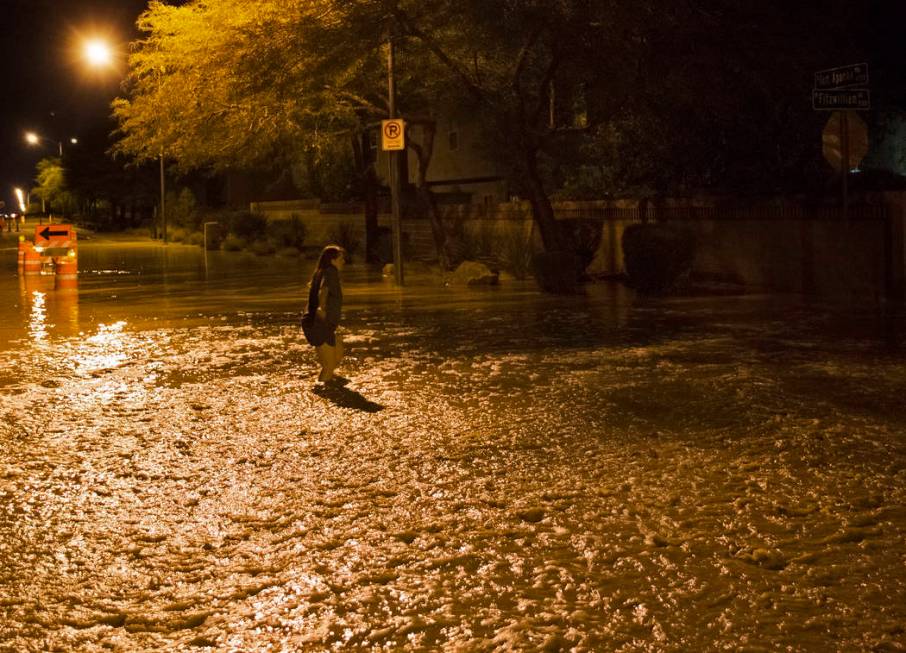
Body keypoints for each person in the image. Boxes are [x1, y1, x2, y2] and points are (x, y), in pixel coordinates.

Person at [301, 245, 346, 384]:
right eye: (340, 258)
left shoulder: (321, 272)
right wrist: (323, 314)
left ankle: (329, 387)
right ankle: (324, 393)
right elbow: (323, 293)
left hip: (316, 322)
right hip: (319, 323)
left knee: (337, 356)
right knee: (329, 366)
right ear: (333, 260)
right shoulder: (331, 272)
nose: (343, 261)